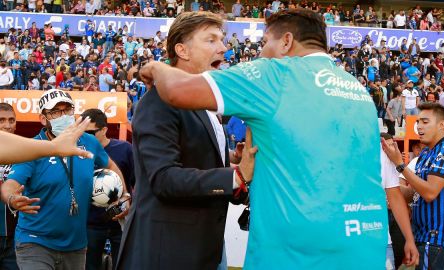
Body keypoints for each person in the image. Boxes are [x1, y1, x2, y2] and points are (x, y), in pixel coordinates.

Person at [138, 9, 389, 269]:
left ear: (286, 42)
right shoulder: (358, 90)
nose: (260, 52)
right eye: (211, 40)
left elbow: (176, 90)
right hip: (364, 244)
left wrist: (155, 66)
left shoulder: (274, 74)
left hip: (294, 253)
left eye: (265, 41)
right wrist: (238, 169)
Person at [117, 12, 255, 270]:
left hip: (203, 250)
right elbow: (164, 178)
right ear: (182, 50)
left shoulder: (204, 104)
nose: (223, 48)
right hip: (166, 253)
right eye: (211, 40)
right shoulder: (160, 100)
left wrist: (231, 159)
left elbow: (193, 157)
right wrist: (234, 176)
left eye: (222, 40)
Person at [1, 89, 130, 270]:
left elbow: (110, 166)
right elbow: (10, 185)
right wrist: (13, 199)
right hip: (35, 242)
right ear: (43, 119)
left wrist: (123, 193)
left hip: (75, 246)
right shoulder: (34, 147)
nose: (63, 115)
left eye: (67, 109)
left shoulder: (89, 141)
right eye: (55, 112)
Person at [382, 102, 444, 270]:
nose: (419, 126)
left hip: (439, 241)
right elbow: (415, 193)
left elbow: (429, 193)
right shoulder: (426, 154)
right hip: (423, 238)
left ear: (442, 125)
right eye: (418, 122)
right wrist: (389, 188)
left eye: (425, 122)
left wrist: (400, 165)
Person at [80, 109, 135, 270]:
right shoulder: (80, 152)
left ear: (104, 129)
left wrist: (128, 200)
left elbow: (138, 181)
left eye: (90, 132)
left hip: (120, 221)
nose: (86, 137)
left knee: (123, 264)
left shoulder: (125, 149)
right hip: (91, 223)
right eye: (83, 132)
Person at [380, 133, 419, 269]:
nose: (391, 149)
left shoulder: (390, 163)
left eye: (393, 145)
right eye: (387, 145)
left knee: (398, 255)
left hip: (388, 230)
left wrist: (409, 239)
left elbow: (397, 193)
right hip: (357, 237)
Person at [0, 103, 19, 270]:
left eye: (11, 120)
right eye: (2, 120)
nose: (7, 125)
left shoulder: (27, 152)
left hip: (17, 237)